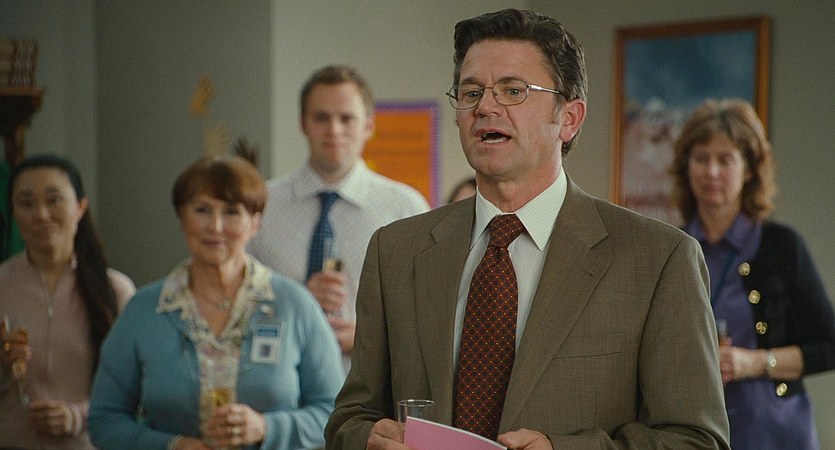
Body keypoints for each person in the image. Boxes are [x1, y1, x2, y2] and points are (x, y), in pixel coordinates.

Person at [325, 9, 730, 450]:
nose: (485, 107)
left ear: (569, 118)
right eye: (471, 92)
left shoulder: (658, 259)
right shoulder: (396, 251)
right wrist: (365, 437)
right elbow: (350, 418)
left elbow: (696, 440)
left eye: (513, 90)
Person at [88, 154, 343, 450]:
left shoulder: (295, 305)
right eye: (202, 210)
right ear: (182, 219)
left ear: (255, 223)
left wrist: (266, 428)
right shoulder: (144, 310)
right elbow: (104, 420)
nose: (216, 226)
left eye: (232, 212)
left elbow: (336, 413)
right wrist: (174, 446)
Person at [671, 98, 835, 450]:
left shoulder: (782, 246)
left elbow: (829, 346)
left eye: (725, 159)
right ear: (686, 166)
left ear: (749, 170)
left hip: (774, 433)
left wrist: (753, 363)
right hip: (694, 432)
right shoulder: (672, 247)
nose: (711, 171)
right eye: (701, 158)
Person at [247, 65, 430, 372]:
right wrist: (296, 301)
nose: (334, 130)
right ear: (303, 123)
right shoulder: (261, 206)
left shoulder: (405, 209)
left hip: (371, 387)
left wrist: (373, 340)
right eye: (321, 118)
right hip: (280, 384)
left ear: (368, 125)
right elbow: (232, 301)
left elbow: (429, 313)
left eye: (346, 118)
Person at [0, 154, 136, 449]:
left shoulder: (116, 290)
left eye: (54, 200)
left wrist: (76, 417)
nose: (41, 214)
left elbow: (134, 390)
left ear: (80, 207)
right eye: (26, 203)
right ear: (13, 212)